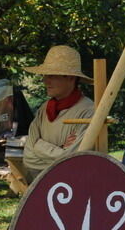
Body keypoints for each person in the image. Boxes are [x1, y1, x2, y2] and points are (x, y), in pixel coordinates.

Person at [21, 45, 94, 181]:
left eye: (52, 76)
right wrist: (61, 151)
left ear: (71, 78)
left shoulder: (88, 111)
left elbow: (75, 162)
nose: (45, 81)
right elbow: (29, 158)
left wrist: (40, 146)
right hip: (41, 188)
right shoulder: (44, 109)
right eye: (45, 75)